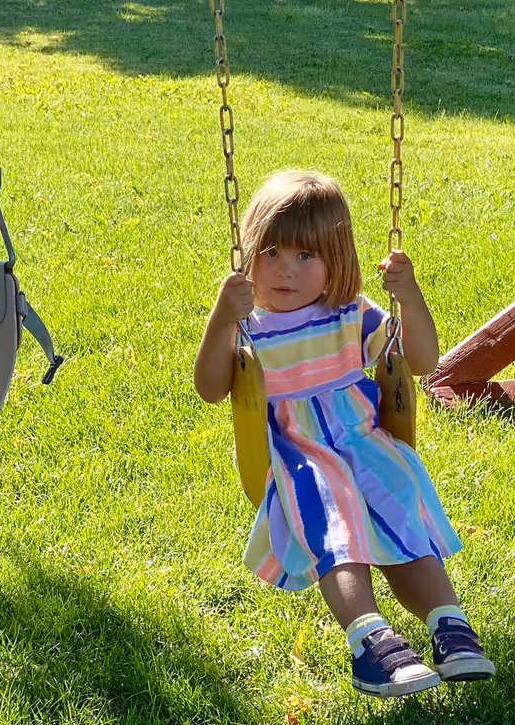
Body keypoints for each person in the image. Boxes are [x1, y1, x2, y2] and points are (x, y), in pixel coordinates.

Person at [192, 169, 493, 698]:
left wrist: (409, 297)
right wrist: (221, 319)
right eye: (272, 253)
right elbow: (212, 388)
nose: (285, 270)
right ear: (249, 253)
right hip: (299, 454)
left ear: (335, 262)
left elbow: (421, 361)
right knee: (334, 512)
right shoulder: (250, 328)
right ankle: (369, 641)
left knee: (399, 500)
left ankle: (448, 623)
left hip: (363, 440)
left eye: (305, 256)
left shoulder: (350, 315)